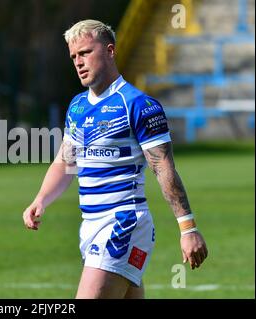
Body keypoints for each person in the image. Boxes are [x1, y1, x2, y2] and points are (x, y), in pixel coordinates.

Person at [22, 19, 208, 299]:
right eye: (74, 56)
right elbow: (66, 161)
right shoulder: (78, 106)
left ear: (110, 51)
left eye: (85, 52)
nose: (78, 62)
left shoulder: (137, 105)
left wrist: (188, 227)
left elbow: (162, 167)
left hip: (122, 224)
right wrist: (41, 199)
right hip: (91, 227)